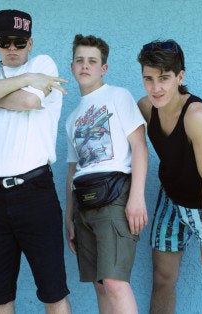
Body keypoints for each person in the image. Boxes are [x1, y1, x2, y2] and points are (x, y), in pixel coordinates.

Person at [0, 9, 71, 314]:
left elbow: (28, 102)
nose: (13, 48)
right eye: (6, 41)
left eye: (20, 42)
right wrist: (25, 80)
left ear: (31, 43)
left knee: (53, 292)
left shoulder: (44, 65)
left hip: (34, 191)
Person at [137, 39, 202, 313]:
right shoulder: (146, 108)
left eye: (164, 78)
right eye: (148, 79)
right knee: (162, 278)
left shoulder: (195, 114)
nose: (156, 88)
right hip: (170, 197)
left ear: (180, 77)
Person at [65, 34, 148, 314]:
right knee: (100, 284)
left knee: (114, 282)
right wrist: (69, 215)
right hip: (83, 203)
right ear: (72, 66)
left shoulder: (118, 96)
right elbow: (73, 169)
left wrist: (136, 198)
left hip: (115, 196)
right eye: (79, 60)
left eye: (92, 61)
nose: (85, 66)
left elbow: (139, 146)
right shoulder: (72, 117)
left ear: (104, 68)